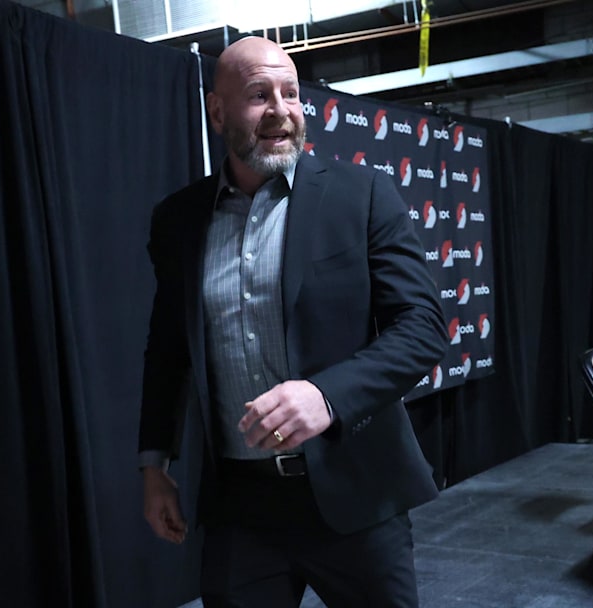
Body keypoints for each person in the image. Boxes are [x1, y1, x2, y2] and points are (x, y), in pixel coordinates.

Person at [138, 35, 448, 607]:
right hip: (240, 508)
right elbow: (168, 348)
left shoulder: (363, 195)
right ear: (217, 111)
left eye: (290, 93)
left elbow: (422, 325)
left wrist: (326, 396)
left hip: (356, 494)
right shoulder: (179, 220)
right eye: (259, 95)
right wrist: (153, 463)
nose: (281, 111)